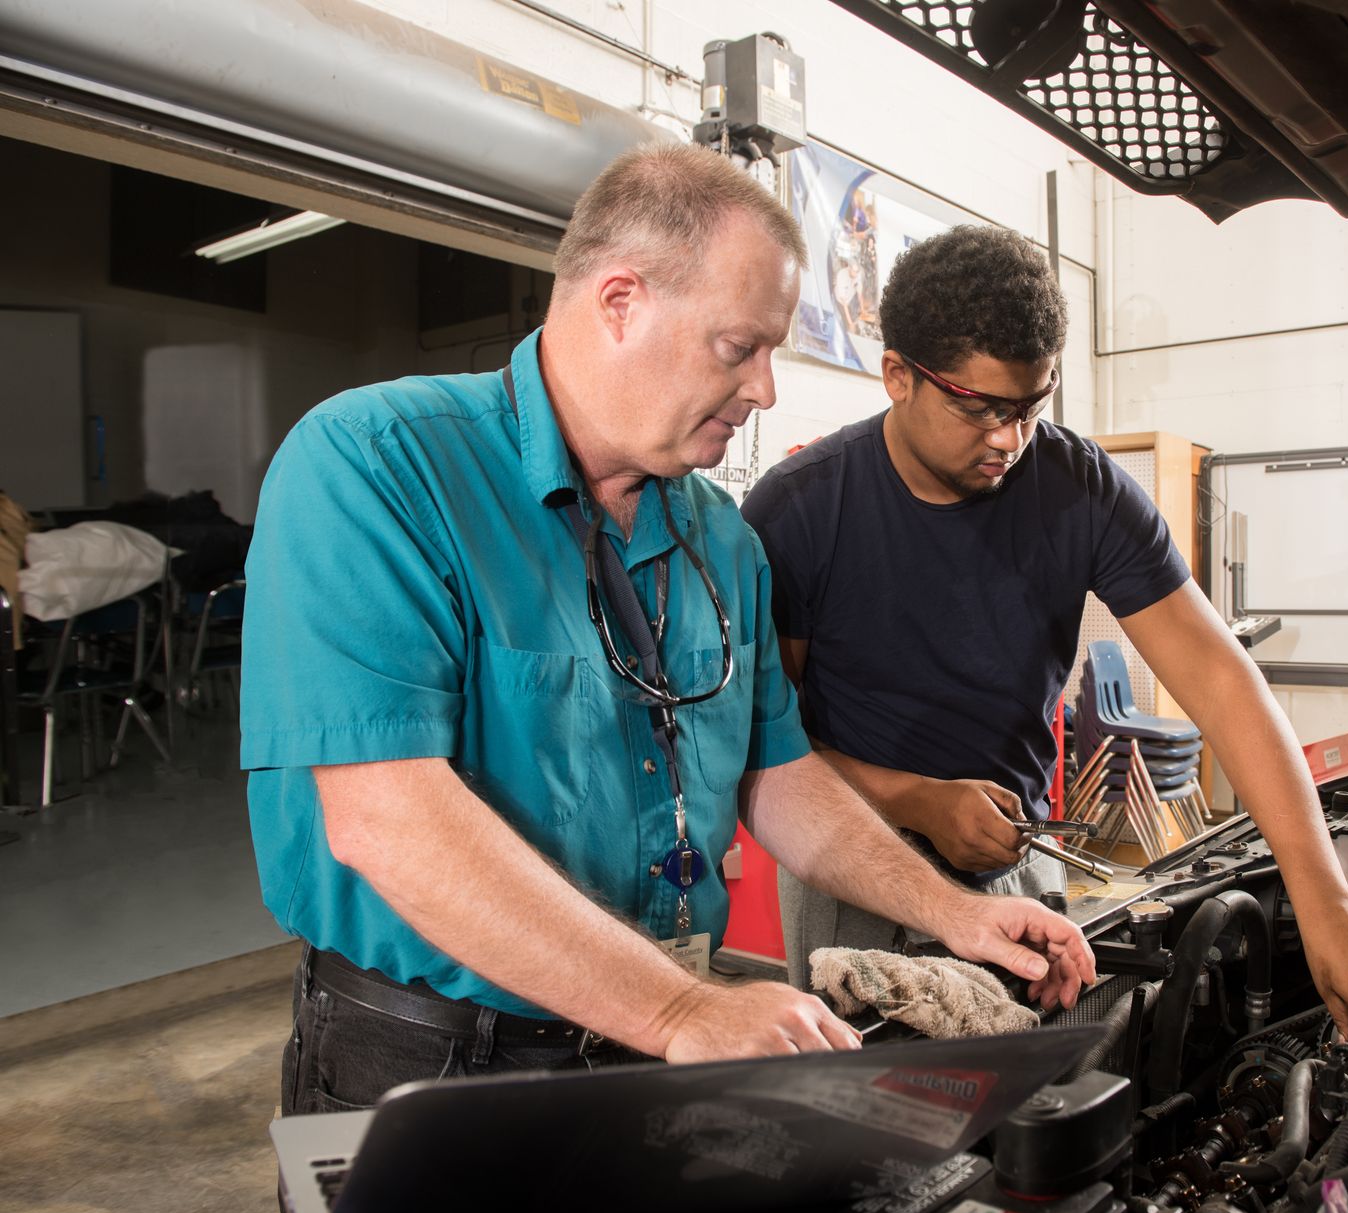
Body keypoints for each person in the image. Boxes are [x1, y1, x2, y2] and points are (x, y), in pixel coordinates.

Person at [241, 147, 1095, 1116]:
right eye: (740, 348)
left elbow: (777, 771)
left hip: (643, 1046)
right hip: (432, 1061)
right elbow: (387, 816)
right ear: (619, 303)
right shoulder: (378, 467)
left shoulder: (718, 539)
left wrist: (958, 914)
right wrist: (686, 1007)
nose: (766, 390)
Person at [741, 225, 1348, 1039]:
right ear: (897, 376)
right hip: (861, 865)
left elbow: (1221, 680)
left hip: (1024, 854)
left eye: (1031, 407)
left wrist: (1323, 896)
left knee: (1046, 1098)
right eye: (979, 408)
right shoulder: (803, 511)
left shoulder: (1078, 487)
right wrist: (915, 799)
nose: (1008, 440)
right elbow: (763, 745)